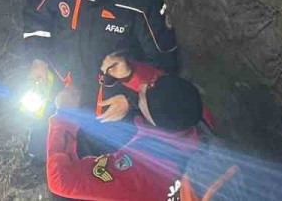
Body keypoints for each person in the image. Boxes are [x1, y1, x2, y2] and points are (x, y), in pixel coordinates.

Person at [21, 0, 179, 170]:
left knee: (97, 161)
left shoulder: (143, 2)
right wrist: (38, 59)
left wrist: (131, 99)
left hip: (109, 97)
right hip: (59, 80)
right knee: (44, 127)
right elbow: (36, 15)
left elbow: (164, 61)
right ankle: (36, 164)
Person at [47, 68, 228, 201]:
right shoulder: (196, 115)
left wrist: (64, 116)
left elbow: (59, 180)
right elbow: (164, 96)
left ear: (154, 120)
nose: (141, 86)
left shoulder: (142, 169)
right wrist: (129, 74)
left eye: (145, 92)